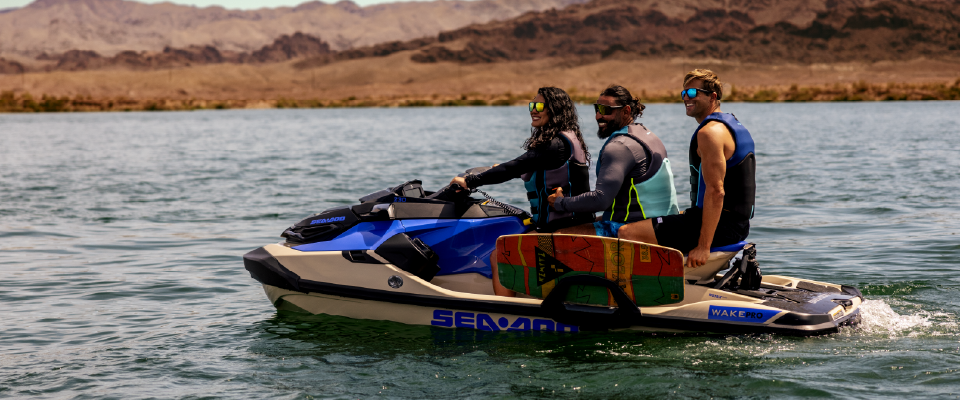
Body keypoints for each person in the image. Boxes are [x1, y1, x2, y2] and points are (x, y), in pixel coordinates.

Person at [449, 87, 593, 296]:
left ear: (555, 109)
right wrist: (501, 170)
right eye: (532, 105)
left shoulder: (555, 145)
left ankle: (505, 310)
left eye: (540, 105)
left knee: (500, 255)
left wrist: (469, 181)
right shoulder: (566, 140)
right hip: (564, 223)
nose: (533, 110)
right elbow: (536, 170)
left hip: (562, 227)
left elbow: (515, 167)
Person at [618, 69, 756, 269]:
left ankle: (649, 282)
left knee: (627, 233)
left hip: (721, 227)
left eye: (693, 93)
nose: (686, 98)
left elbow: (716, 191)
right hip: (736, 224)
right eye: (684, 93)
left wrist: (703, 246)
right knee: (657, 221)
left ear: (713, 97)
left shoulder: (709, 133)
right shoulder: (733, 125)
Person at [546, 84, 679, 238]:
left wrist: (560, 203)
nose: (598, 116)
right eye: (597, 109)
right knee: (581, 224)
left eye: (605, 110)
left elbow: (601, 200)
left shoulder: (620, 147)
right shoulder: (646, 135)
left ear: (626, 111)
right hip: (660, 224)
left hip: (636, 228)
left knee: (556, 236)